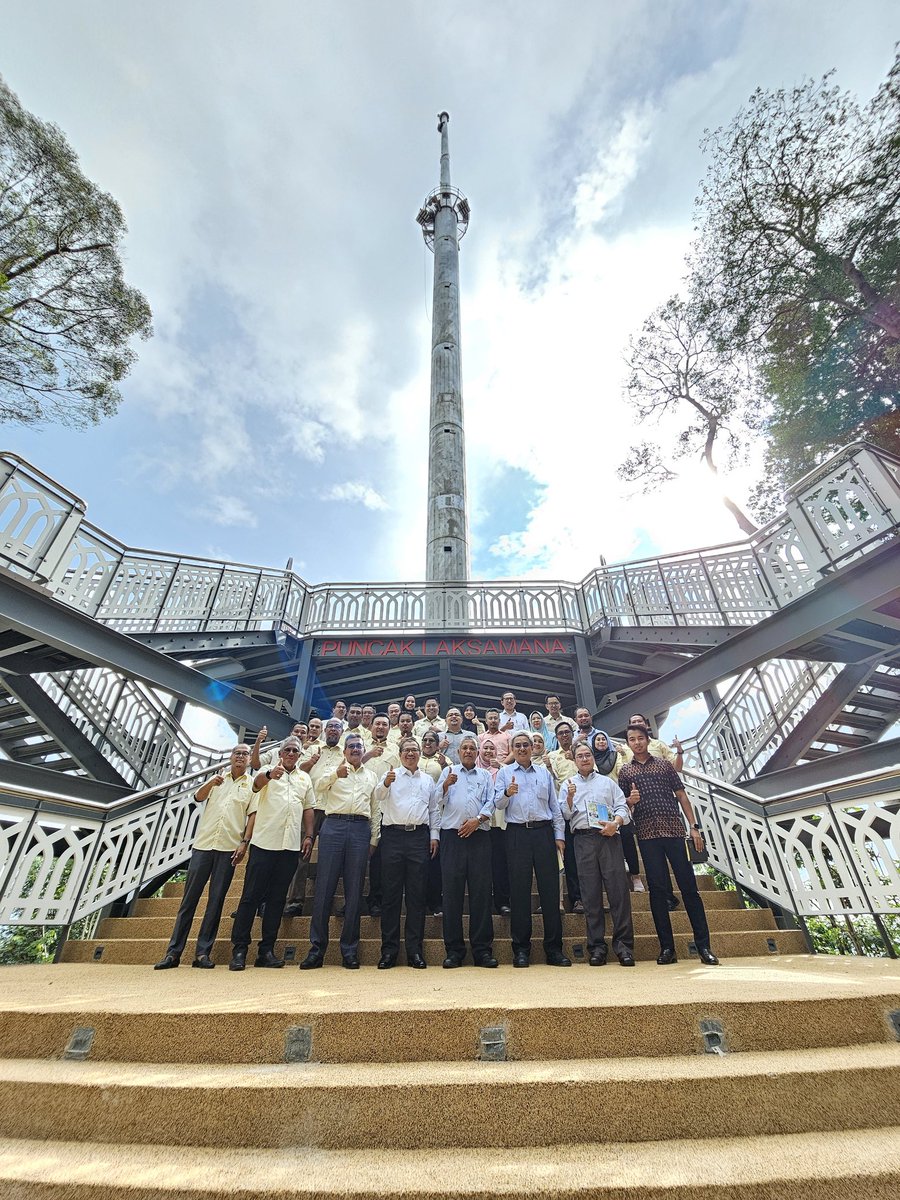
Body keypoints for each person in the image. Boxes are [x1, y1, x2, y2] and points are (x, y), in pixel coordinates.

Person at [617, 725, 719, 966]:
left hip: (674, 830)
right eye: (632, 739)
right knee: (658, 891)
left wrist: (694, 826)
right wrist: (630, 802)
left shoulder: (664, 765)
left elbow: (682, 795)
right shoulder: (626, 772)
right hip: (647, 834)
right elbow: (623, 808)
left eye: (640, 738)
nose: (637, 743)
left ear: (647, 740)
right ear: (628, 744)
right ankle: (667, 948)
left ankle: (704, 946)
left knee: (689, 888)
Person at [154, 745, 257, 970]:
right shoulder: (217, 779)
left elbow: (252, 816)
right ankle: (173, 952)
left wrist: (244, 843)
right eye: (237, 753)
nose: (240, 757)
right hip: (203, 845)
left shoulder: (252, 785)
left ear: (250, 760)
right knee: (188, 900)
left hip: (228, 846)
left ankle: (202, 952)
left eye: (244, 754)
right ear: (231, 757)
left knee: (216, 901)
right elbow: (198, 797)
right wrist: (211, 783)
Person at [229, 739, 314, 970]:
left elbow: (308, 808)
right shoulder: (267, 773)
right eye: (287, 749)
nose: (291, 753)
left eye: (295, 750)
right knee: (250, 897)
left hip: (289, 847)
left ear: (300, 754)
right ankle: (239, 950)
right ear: (280, 752)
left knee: (277, 900)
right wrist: (268, 774)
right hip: (264, 844)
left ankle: (266, 951)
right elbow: (256, 784)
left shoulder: (304, 779)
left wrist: (308, 836)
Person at [300, 734, 379, 970]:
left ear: (363, 751)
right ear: (345, 752)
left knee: (354, 890)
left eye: (359, 747)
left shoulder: (372, 776)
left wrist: (374, 838)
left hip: (359, 829)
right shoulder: (333, 771)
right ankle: (317, 950)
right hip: (333, 827)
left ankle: (349, 950)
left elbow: (375, 809)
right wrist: (336, 774)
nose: (355, 749)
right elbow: (317, 786)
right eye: (351, 746)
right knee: (324, 888)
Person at [494, 733, 570, 967]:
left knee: (549, 892)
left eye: (526, 745)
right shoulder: (505, 773)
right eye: (517, 746)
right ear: (512, 749)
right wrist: (508, 793)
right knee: (519, 892)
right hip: (517, 834)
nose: (522, 748)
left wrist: (559, 836)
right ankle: (521, 950)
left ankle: (554, 950)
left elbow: (555, 807)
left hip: (543, 833)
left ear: (533, 747)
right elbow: (497, 803)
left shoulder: (544, 773)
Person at [561, 745, 634, 966]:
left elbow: (622, 807)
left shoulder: (607, 782)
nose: (584, 759)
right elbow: (563, 813)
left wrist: (616, 823)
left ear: (593, 758)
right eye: (580, 756)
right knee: (590, 895)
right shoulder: (567, 785)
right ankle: (596, 947)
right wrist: (571, 798)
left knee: (618, 892)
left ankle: (624, 947)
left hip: (609, 838)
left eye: (587, 755)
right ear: (574, 760)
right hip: (583, 840)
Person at [375, 738, 440, 969]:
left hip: (418, 838)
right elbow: (378, 797)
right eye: (407, 750)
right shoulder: (390, 775)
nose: (411, 753)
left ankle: (415, 951)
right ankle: (389, 952)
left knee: (416, 896)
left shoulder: (428, 780)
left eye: (415, 750)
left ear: (420, 753)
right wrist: (385, 784)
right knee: (391, 896)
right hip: (393, 836)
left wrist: (434, 836)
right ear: (400, 754)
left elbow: (433, 809)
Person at [436, 735, 497, 968]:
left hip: (479, 836)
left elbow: (491, 801)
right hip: (453, 837)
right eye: (465, 748)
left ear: (478, 752)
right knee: (452, 895)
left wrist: (477, 820)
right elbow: (435, 801)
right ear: (458, 752)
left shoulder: (484, 775)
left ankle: (482, 950)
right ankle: (454, 951)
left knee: (481, 893)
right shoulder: (448, 772)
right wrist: (445, 785)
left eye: (473, 748)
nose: (469, 751)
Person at [282, 718, 344, 917]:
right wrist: (310, 761)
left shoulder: (346, 752)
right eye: (331, 727)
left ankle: (324, 902)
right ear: (325, 730)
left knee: (330, 858)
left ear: (342, 731)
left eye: (337, 727)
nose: (333, 730)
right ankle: (295, 901)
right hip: (309, 807)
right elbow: (295, 772)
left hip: (333, 810)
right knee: (301, 854)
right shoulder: (310, 749)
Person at [360, 714, 402, 917]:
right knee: (355, 859)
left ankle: (376, 899)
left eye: (385, 724)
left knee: (378, 859)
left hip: (384, 807)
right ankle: (352, 901)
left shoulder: (395, 748)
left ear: (389, 728)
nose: (381, 727)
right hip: (359, 805)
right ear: (370, 726)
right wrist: (368, 754)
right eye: (377, 723)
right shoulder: (359, 744)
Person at [593, 730, 643, 895]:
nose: (601, 741)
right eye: (597, 739)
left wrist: (627, 798)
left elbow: (624, 772)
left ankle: (635, 876)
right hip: (600, 804)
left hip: (619, 800)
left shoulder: (616, 756)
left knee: (627, 837)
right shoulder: (591, 759)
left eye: (603, 739)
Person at [477, 738, 509, 916]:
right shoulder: (474, 771)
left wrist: (502, 766)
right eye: (485, 748)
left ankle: (502, 902)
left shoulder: (503, 771)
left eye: (492, 748)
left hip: (499, 824)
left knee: (500, 865)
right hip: (480, 824)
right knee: (481, 867)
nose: (488, 751)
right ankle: (484, 903)